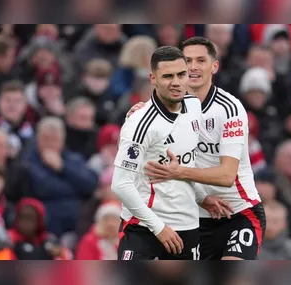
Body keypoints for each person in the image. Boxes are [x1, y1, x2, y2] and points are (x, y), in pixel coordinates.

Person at [130, 37, 266, 260]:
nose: (193, 67)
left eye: (201, 60)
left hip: (238, 212)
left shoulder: (229, 109)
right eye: (188, 61)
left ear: (214, 66)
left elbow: (226, 176)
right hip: (191, 218)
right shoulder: (159, 110)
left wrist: (179, 172)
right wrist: (134, 120)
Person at [111, 46, 231, 260]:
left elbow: (186, 163)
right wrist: (158, 227)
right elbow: (120, 185)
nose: (176, 82)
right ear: (153, 78)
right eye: (167, 76)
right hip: (144, 228)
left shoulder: (194, 106)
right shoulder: (139, 123)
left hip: (188, 226)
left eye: (181, 74)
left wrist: (201, 197)